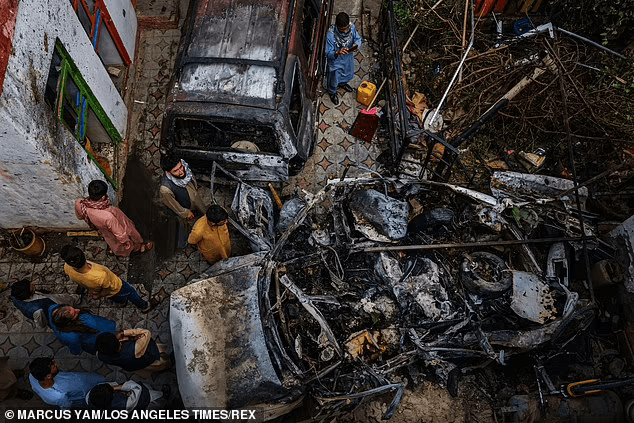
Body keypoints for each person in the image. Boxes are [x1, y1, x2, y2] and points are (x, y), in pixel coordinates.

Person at [60, 245, 161, 313]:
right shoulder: (100, 276)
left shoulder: (67, 267)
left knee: (115, 296)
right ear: (83, 255)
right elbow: (108, 289)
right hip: (117, 286)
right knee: (130, 291)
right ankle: (145, 306)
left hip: (99, 289)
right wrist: (99, 295)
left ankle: (122, 302)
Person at [75, 180, 153, 256]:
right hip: (120, 226)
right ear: (102, 197)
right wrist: (126, 242)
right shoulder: (108, 217)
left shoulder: (80, 204)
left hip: (103, 229)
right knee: (129, 240)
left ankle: (114, 250)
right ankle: (138, 248)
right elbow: (120, 233)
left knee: (111, 240)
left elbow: (80, 216)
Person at [159, 156, 206, 248]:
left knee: (203, 211)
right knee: (191, 226)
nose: (181, 171)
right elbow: (173, 204)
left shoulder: (185, 167)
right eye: (175, 171)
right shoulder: (165, 189)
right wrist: (185, 213)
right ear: (168, 172)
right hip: (186, 206)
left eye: (180, 167)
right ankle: (194, 241)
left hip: (195, 198)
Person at [29, 357, 105, 409]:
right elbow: (66, 406)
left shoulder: (33, 375)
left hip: (80, 379)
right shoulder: (58, 396)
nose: (56, 365)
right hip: (83, 393)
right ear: (48, 376)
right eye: (53, 367)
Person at [49, 304, 117, 355]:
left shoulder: (52, 309)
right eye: (74, 314)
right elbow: (76, 350)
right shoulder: (71, 336)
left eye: (73, 309)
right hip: (99, 339)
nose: (78, 310)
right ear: (69, 322)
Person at [10, 279, 80, 328]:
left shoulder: (15, 295)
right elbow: (41, 324)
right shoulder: (36, 310)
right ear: (27, 293)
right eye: (31, 287)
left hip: (51, 299)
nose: (34, 284)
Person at [325, 12, 362, 106]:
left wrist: (355, 45)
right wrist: (337, 52)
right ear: (337, 26)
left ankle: (342, 84)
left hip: (347, 59)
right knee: (334, 79)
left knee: (347, 73)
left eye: (346, 28)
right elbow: (328, 53)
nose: (345, 31)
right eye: (342, 29)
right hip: (336, 62)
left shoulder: (352, 27)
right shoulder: (331, 35)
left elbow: (357, 39)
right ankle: (332, 92)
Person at [95, 329, 170, 372]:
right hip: (149, 357)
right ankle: (167, 365)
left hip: (131, 365)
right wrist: (124, 332)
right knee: (162, 362)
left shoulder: (101, 356)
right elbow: (146, 333)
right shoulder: (135, 349)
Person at [87, 381, 165, 411]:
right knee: (157, 400)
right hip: (144, 402)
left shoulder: (92, 397)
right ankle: (165, 399)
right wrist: (119, 387)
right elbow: (137, 388)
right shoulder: (123, 404)